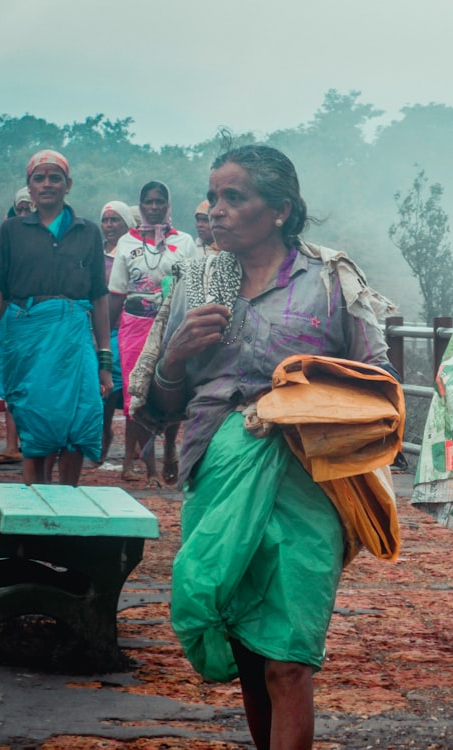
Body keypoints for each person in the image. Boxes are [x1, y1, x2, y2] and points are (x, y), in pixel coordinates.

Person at [144, 145, 393, 749]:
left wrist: (309, 400)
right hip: (219, 472)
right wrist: (175, 358)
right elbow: (157, 409)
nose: (217, 211)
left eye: (235, 197)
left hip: (309, 481)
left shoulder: (332, 280)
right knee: (249, 654)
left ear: (280, 209)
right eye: (213, 197)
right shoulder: (196, 280)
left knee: (287, 658)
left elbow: (379, 384)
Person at [0, 149, 113, 486]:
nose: (47, 184)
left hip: (75, 341)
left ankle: (68, 502)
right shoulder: (12, 231)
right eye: (39, 178)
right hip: (27, 340)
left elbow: (99, 297)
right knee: (36, 422)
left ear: (68, 184)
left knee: (80, 419)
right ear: (29, 188)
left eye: (55, 177)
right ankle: (36, 510)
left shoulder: (87, 232)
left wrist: (103, 357)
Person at [109, 182, 198, 487]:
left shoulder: (184, 242)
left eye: (160, 201)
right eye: (149, 202)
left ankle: (170, 449)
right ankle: (148, 470)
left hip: (172, 325)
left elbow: (192, 288)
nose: (154, 207)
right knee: (138, 396)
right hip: (133, 327)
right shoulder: (125, 243)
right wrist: (103, 343)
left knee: (171, 390)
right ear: (141, 205)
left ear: (168, 204)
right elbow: (117, 293)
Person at [0, 187, 36, 465]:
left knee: (35, 382)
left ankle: (32, 442)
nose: (25, 213)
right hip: (12, 320)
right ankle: (11, 444)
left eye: (28, 208)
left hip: (37, 320)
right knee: (13, 382)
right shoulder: (9, 236)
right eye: (20, 208)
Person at [98, 199, 136, 462]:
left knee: (128, 388)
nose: (109, 225)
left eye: (115, 220)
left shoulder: (134, 253)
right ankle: (103, 435)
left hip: (129, 328)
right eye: (106, 220)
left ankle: (132, 446)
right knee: (103, 388)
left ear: (127, 224)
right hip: (102, 330)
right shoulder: (94, 254)